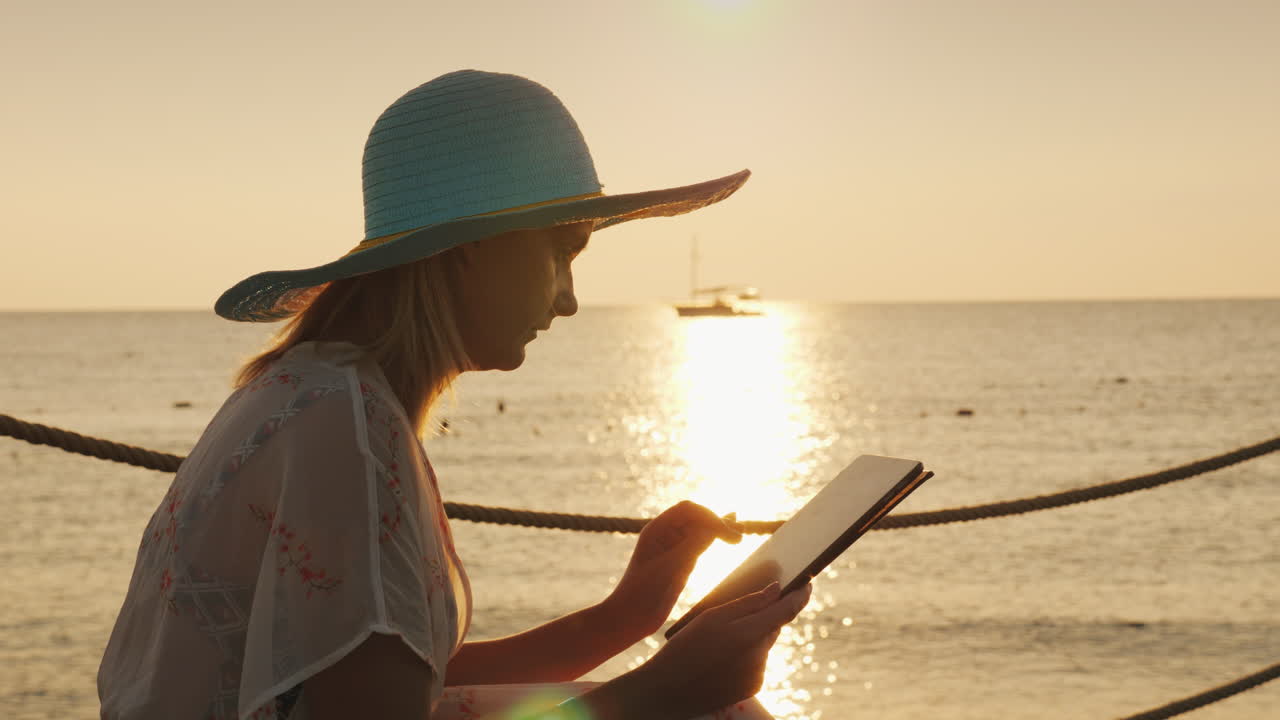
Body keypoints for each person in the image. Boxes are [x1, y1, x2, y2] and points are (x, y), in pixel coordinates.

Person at [98, 69, 811, 720]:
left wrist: (623, 619)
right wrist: (664, 692)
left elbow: (392, 681)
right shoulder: (343, 429)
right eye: (561, 254)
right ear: (474, 246)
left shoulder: (317, 391)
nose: (567, 300)